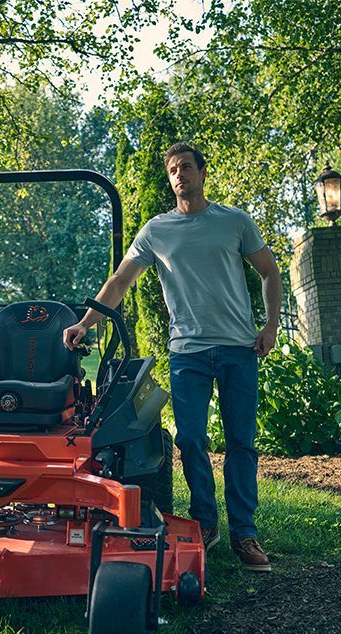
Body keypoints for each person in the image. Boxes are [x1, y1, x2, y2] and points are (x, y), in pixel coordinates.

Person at [63, 142, 280, 572]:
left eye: (185, 167)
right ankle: (205, 523)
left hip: (239, 348)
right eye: (172, 170)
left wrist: (270, 326)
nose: (179, 174)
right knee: (191, 440)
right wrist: (86, 323)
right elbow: (121, 279)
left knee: (241, 443)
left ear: (202, 171)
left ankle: (245, 533)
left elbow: (270, 271)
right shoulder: (156, 230)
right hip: (187, 353)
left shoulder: (234, 221)